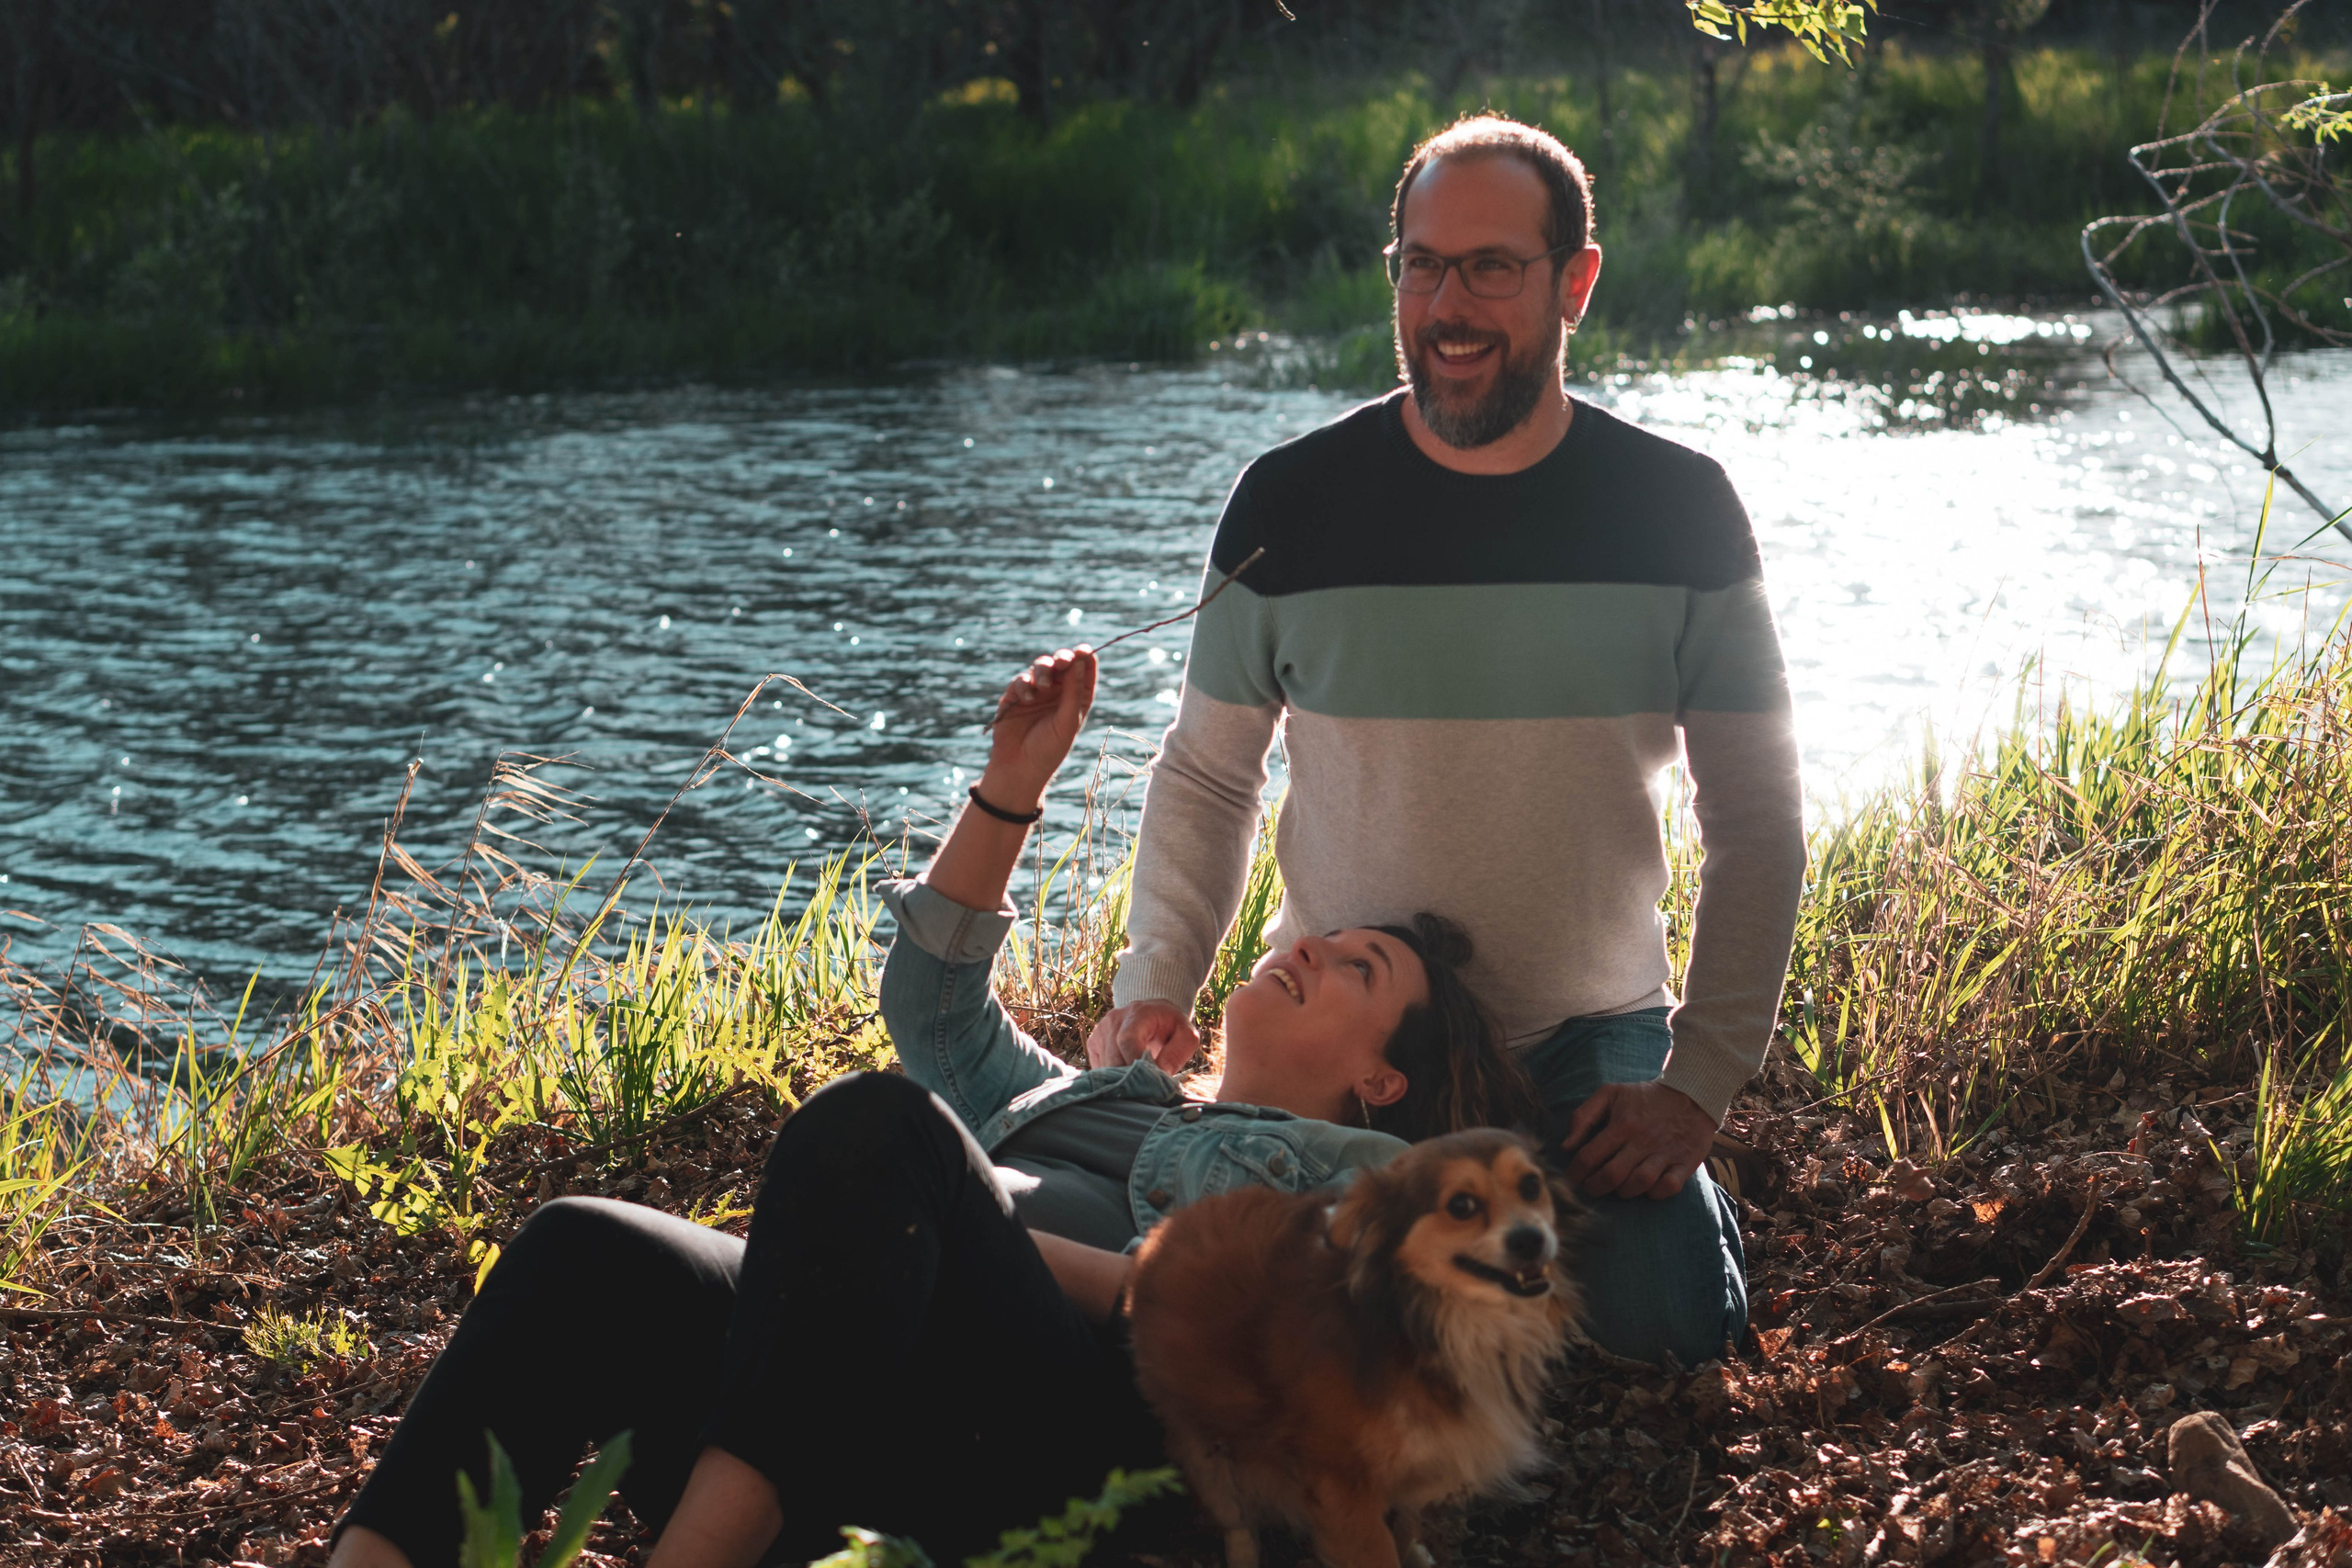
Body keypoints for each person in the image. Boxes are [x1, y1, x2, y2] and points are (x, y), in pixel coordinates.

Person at [326, 646, 1539, 1568]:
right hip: (850, 1423)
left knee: (881, 1129)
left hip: (1056, 1455)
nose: (1310, 947)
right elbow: (935, 1005)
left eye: (1359, 967)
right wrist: (1014, 785)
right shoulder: (1097, 1093)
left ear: (1383, 1080)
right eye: (1324, 937)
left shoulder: (1360, 1182)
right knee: (584, 1247)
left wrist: (946, 1238)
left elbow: (1230, 1332)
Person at [1085, 114, 1807, 1368]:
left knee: (1664, 1327)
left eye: (1490, 267)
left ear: (1574, 282)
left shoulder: (1680, 507)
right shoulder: (1288, 503)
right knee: (1270, 1308)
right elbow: (1208, 772)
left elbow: (1754, 818)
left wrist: (1697, 1082)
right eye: (1422, 265)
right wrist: (1159, 981)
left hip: (1588, 1036)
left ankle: (1642, 1223)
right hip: (1360, 1043)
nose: (1447, 306)